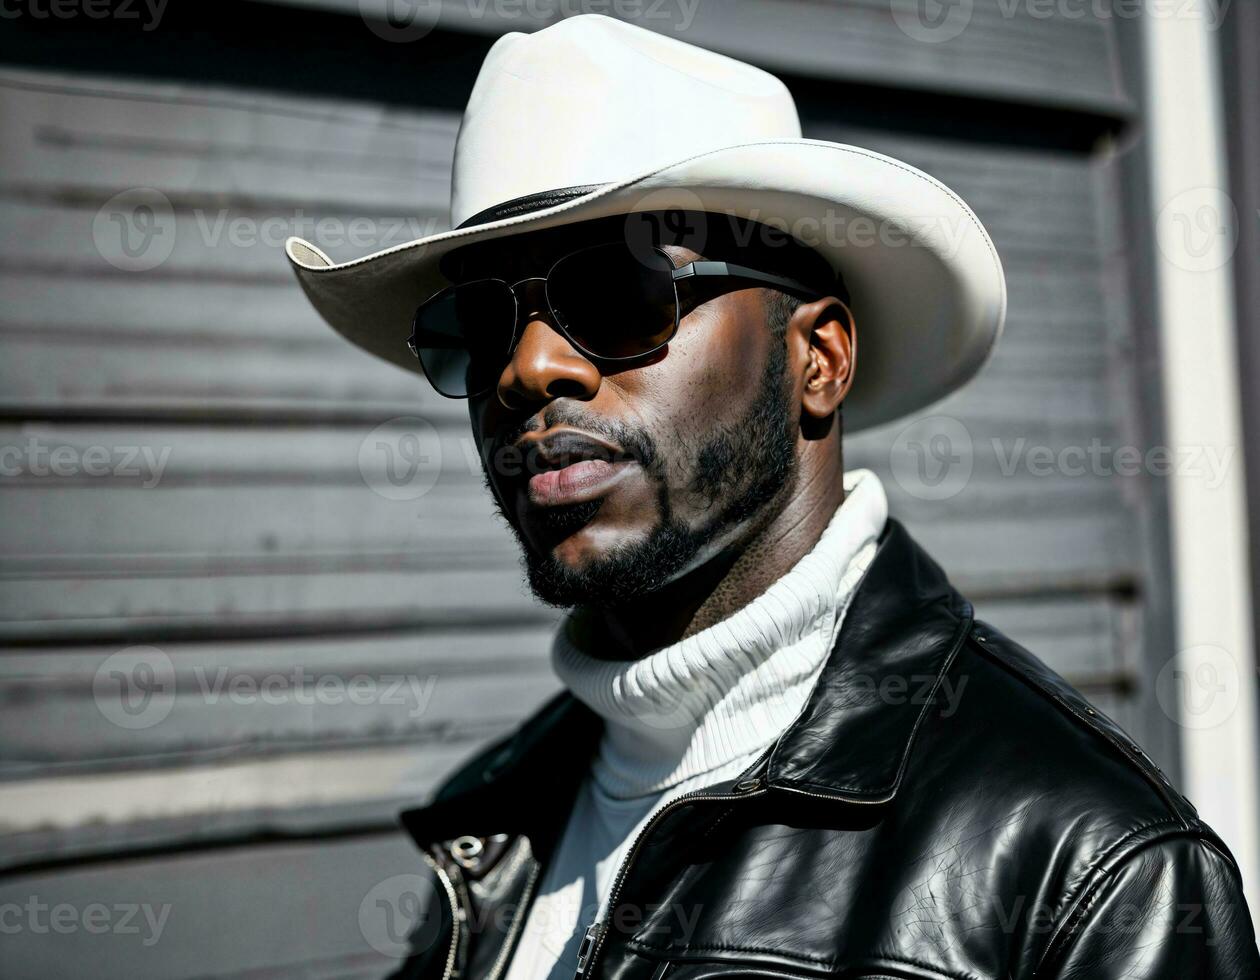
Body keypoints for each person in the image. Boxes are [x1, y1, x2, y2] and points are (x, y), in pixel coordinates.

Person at [285, 14, 1260, 980]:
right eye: (479, 323)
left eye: (620, 293)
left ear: (820, 360)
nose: (529, 368)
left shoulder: (1081, 868)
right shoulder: (489, 827)